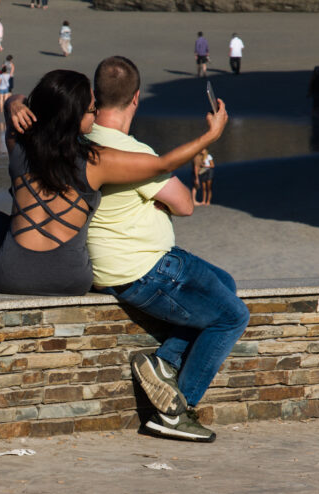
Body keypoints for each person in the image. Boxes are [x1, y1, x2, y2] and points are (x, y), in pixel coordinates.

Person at [87, 56, 247, 443]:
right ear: (136, 99)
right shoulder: (133, 153)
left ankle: (165, 364)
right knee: (232, 316)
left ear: (95, 97)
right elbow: (186, 204)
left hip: (105, 267)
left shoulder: (83, 142)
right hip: (146, 269)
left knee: (224, 283)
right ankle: (177, 408)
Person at [0, 69, 226, 296]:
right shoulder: (96, 161)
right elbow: (163, 165)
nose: (96, 115)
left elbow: (14, 100)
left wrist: (14, 103)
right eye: (92, 110)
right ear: (74, 115)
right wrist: (210, 135)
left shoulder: (18, 144)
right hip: (69, 280)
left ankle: (20, 255)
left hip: (9, 279)